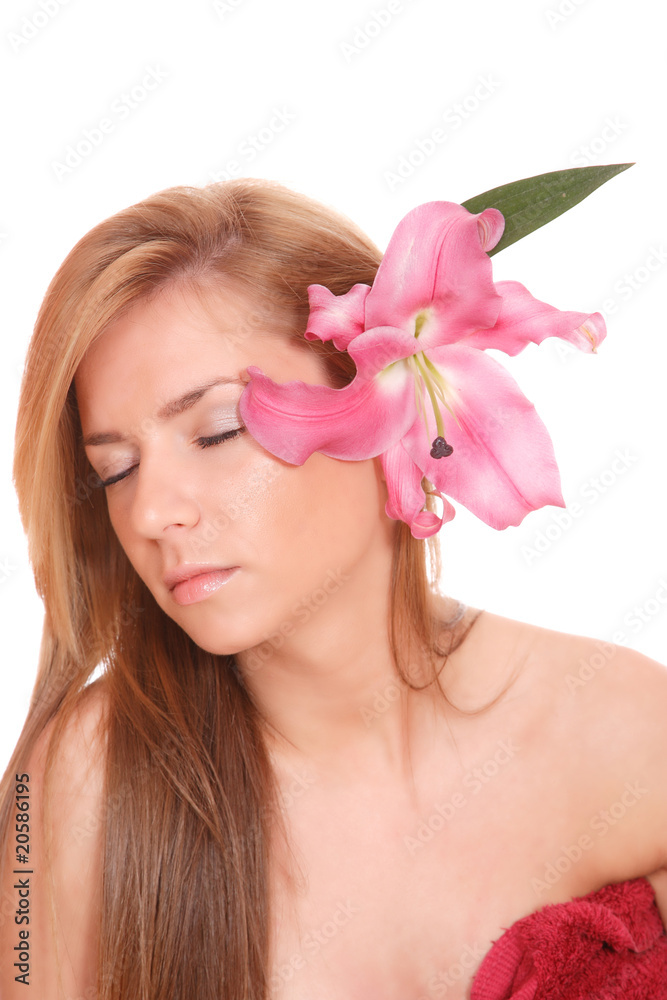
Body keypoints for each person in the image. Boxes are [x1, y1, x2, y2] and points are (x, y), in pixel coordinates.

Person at [0, 177, 666, 1000]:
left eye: (216, 430)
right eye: (116, 470)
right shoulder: (78, 782)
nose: (152, 512)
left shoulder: (620, 729)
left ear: (382, 401)